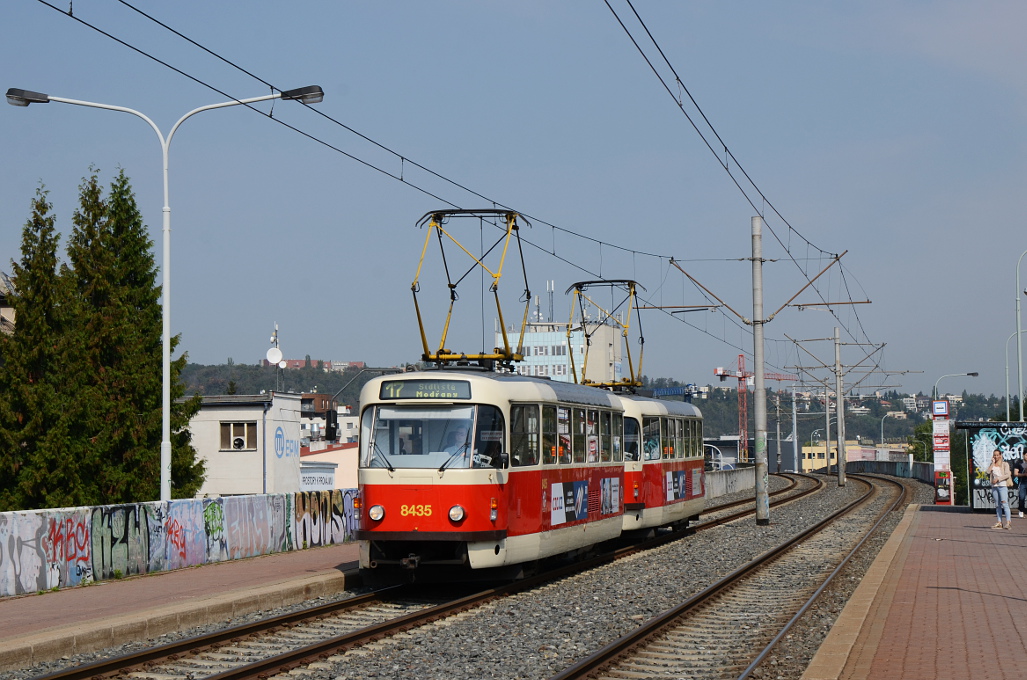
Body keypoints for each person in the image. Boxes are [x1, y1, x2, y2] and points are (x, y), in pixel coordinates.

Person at [986, 450, 1013, 530]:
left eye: (997, 455)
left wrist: (998, 479)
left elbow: (1007, 474)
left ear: (1001, 455)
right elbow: (988, 472)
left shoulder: (1005, 464)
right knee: (997, 505)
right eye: (994, 455)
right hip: (994, 486)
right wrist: (992, 463)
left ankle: (1008, 522)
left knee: (1004, 503)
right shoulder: (993, 465)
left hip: (1002, 485)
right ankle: (999, 522)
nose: (996, 457)